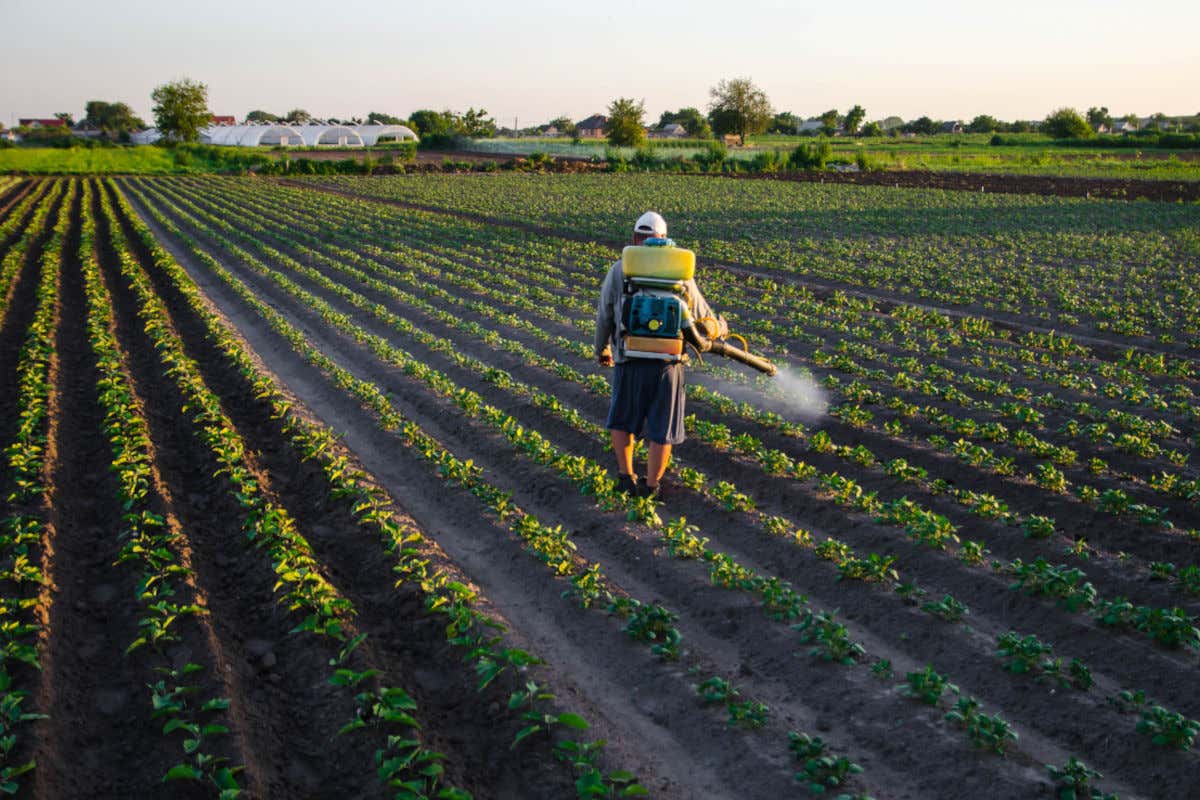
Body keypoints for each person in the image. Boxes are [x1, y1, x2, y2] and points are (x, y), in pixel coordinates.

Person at [594, 211, 717, 498]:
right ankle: (651, 486)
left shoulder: (621, 268)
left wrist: (601, 348)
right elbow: (702, 316)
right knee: (663, 427)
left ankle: (626, 477)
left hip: (630, 358)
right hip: (668, 364)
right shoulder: (680, 271)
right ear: (664, 238)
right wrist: (717, 328)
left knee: (622, 419)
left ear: (635, 238)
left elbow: (605, 315)